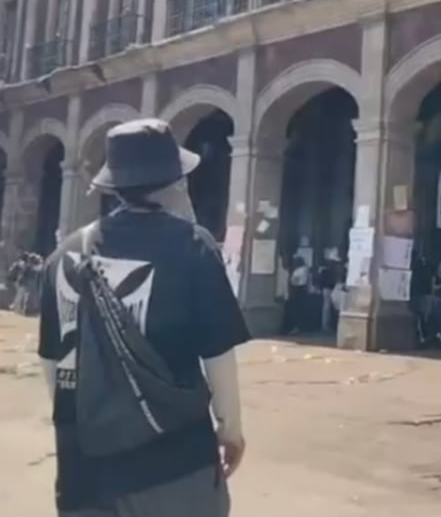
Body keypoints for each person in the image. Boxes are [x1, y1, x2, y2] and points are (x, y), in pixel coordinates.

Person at [37, 118, 248, 516]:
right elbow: (218, 354)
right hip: (174, 464)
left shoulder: (62, 256)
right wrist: (230, 428)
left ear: (114, 184)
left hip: (83, 471)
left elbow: (52, 360)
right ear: (173, 183)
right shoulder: (193, 246)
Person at [281, 255, 310, 335]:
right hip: (303, 290)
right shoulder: (306, 270)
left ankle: (295, 327)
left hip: (297, 290)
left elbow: (294, 282)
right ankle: (301, 327)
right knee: (302, 309)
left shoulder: (298, 271)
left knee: (296, 310)